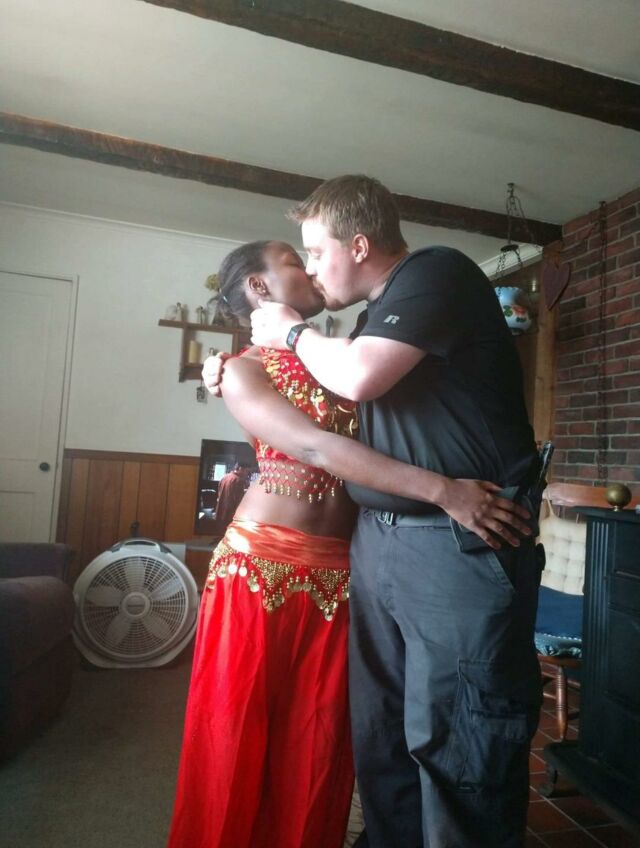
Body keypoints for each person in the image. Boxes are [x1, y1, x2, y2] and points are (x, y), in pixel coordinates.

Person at [170, 239, 531, 848]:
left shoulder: (340, 356)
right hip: (262, 564)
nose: (310, 268)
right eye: (295, 260)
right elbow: (316, 447)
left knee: (320, 740)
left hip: (345, 568)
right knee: (237, 729)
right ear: (259, 287)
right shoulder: (239, 370)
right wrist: (445, 491)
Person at [214, 461, 251, 530]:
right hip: (230, 514)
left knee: (220, 531)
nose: (247, 474)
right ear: (240, 468)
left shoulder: (224, 477)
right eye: (247, 471)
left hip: (220, 511)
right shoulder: (239, 480)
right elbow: (239, 501)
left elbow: (219, 494)